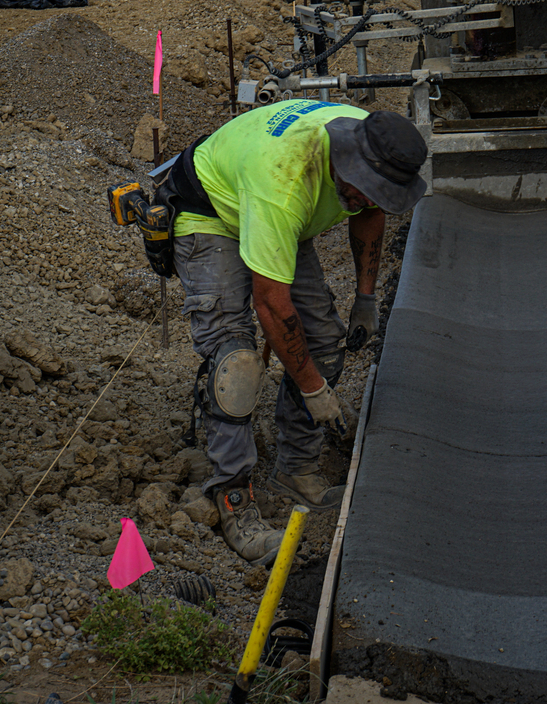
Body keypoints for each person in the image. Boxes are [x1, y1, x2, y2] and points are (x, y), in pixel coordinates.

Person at [156, 99, 427, 566]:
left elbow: (369, 211)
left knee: (324, 340)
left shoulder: (373, 140)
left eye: (378, 191)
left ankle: (296, 468)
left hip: (278, 216)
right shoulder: (282, 184)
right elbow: (270, 305)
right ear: (342, 162)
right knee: (236, 365)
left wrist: (365, 299)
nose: (365, 197)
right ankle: (233, 500)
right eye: (361, 188)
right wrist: (313, 389)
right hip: (210, 213)